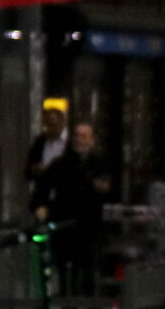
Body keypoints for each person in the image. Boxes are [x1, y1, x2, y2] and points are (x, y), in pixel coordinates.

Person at [33, 120, 112, 296]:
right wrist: (42, 206)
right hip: (65, 224)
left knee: (89, 270)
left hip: (90, 224)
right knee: (65, 272)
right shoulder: (61, 164)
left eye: (84, 136)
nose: (80, 140)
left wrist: (102, 188)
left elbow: (108, 189)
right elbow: (43, 189)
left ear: (92, 140)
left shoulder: (100, 164)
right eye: (77, 135)